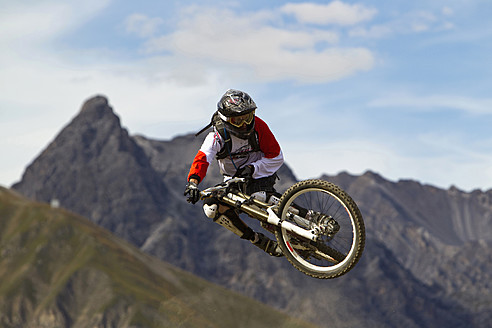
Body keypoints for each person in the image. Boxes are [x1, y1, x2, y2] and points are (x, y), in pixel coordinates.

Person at [184, 89, 284, 256]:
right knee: (212, 207)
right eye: (237, 120)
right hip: (234, 181)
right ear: (226, 120)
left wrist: (254, 168)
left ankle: (305, 215)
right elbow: (203, 158)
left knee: (257, 196)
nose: (244, 124)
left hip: (260, 175)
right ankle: (259, 241)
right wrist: (193, 183)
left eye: (248, 117)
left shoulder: (259, 126)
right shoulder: (216, 136)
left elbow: (276, 156)